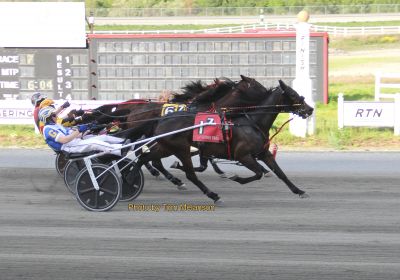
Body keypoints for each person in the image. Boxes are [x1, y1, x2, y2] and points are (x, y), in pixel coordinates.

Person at [39, 106, 128, 157]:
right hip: (69, 147)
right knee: (95, 143)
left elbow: (74, 135)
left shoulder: (56, 126)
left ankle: (125, 143)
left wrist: (87, 129)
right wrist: (79, 130)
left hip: (74, 142)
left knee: (102, 137)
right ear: (49, 118)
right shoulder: (48, 130)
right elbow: (64, 140)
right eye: (54, 115)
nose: (56, 116)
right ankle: (120, 149)